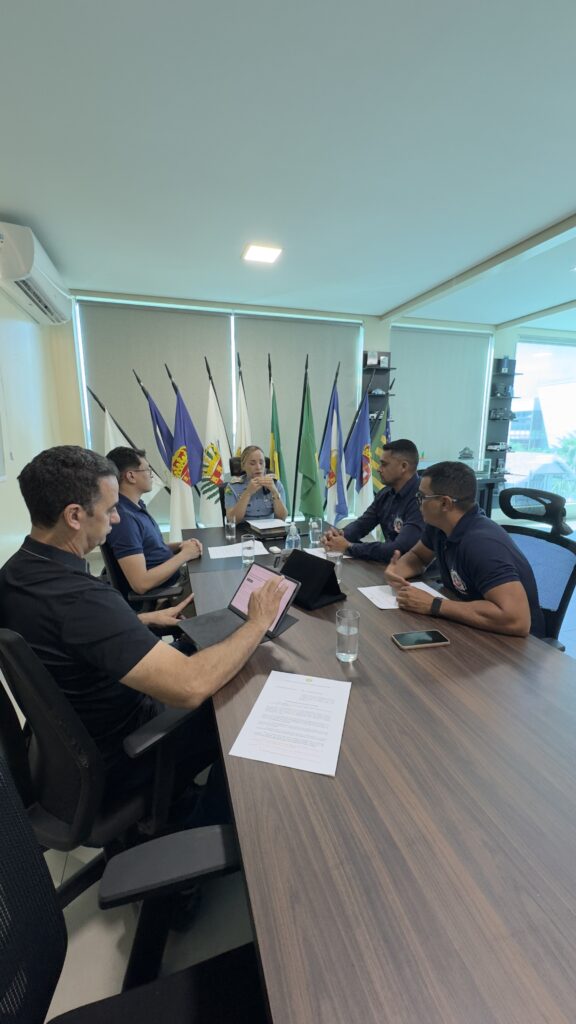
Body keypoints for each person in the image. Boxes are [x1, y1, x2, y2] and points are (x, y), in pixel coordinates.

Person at [0, 446, 286, 819]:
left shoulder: (15, 574)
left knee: (202, 647)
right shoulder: (82, 599)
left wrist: (142, 620)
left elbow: (63, 635)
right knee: (239, 702)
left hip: (72, 747)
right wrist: (258, 622)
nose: (117, 518)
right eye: (109, 509)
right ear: (74, 516)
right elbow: (191, 686)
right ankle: (206, 822)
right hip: (125, 752)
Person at [384, 460, 544, 637]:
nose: (418, 504)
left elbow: (517, 620)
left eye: (422, 497)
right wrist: (397, 572)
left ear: (445, 504)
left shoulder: (482, 544)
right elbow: (419, 556)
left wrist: (434, 604)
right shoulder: (439, 525)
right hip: (467, 623)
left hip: (512, 642)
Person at [105, 446, 201, 595]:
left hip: (173, 581)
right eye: (147, 470)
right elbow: (141, 584)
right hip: (166, 592)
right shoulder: (124, 520)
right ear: (131, 476)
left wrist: (182, 546)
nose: (152, 476)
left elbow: (149, 549)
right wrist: (185, 555)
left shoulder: (135, 506)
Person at [323, 438, 423, 563]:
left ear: (404, 466)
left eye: (384, 464)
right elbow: (361, 525)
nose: (379, 469)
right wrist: (337, 536)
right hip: (390, 566)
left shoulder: (422, 500)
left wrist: (349, 547)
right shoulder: (385, 494)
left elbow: (398, 549)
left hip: (418, 571)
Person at [225, 445, 288, 522]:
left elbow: (282, 518)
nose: (258, 467)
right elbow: (232, 520)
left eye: (261, 463)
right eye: (252, 463)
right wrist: (247, 493)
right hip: (244, 528)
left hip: (269, 528)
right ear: (243, 466)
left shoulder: (275, 483)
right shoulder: (233, 487)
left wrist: (274, 492)